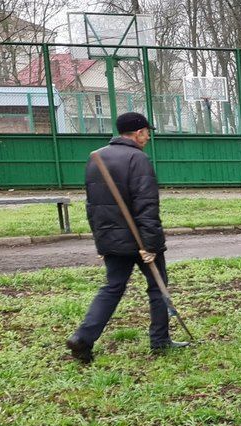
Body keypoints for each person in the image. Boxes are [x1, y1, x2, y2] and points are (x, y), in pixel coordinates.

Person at [66, 112, 188, 365]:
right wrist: (151, 246)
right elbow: (147, 206)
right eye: (147, 133)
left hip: (110, 239)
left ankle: (83, 337)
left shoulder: (96, 158)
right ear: (139, 132)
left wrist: (101, 243)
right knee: (157, 287)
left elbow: (93, 207)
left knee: (112, 288)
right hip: (140, 240)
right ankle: (160, 341)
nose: (148, 138)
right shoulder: (137, 158)